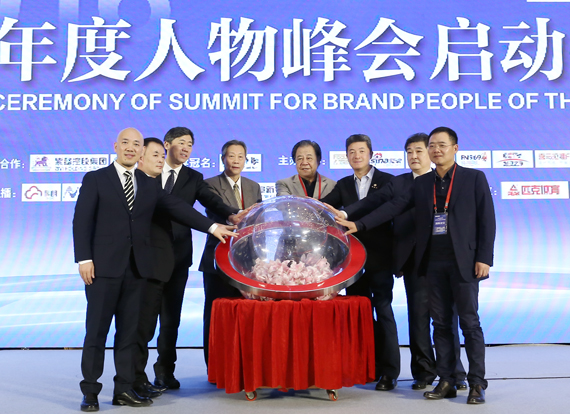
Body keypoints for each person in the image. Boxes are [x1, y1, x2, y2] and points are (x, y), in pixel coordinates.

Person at [73, 128, 236, 411]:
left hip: (138, 270)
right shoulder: (96, 178)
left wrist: (212, 226)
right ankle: (90, 391)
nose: (131, 147)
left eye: (136, 144)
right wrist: (84, 259)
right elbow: (82, 220)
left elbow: (178, 208)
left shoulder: (149, 184)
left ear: (140, 152)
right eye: (126, 142)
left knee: (129, 334)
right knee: (96, 333)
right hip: (103, 269)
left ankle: (123, 389)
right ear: (115, 146)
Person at [336, 127, 495, 404]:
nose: (436, 150)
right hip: (432, 262)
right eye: (432, 145)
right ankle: (446, 379)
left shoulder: (473, 178)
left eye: (441, 145)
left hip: (464, 262)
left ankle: (476, 383)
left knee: (469, 323)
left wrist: (485, 258)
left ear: (455, 148)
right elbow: (391, 207)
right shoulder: (422, 184)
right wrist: (358, 224)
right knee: (440, 324)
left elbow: (487, 219)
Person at [152, 127, 243, 389]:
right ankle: (135, 375)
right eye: (181, 143)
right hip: (148, 256)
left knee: (171, 319)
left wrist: (231, 214)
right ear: (167, 144)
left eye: (190, 144)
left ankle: (164, 372)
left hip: (178, 257)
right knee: (143, 321)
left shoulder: (193, 177)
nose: (186, 148)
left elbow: (211, 201)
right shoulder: (149, 173)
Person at [319, 134, 398, 390]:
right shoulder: (343, 184)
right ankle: (365, 367)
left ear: (371, 154)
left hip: (381, 258)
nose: (356, 156)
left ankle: (389, 372)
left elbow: (383, 211)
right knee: (359, 316)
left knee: (384, 312)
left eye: (361, 151)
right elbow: (325, 209)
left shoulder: (388, 181)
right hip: (353, 263)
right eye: (351, 152)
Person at [198, 140, 262, 367]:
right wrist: (238, 215)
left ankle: (242, 365)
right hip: (218, 258)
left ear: (246, 160)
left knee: (245, 314)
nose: (235, 161)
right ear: (223, 158)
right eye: (231, 156)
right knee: (216, 313)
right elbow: (215, 210)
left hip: (248, 261)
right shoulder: (209, 184)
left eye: (240, 156)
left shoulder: (254, 186)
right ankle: (214, 365)